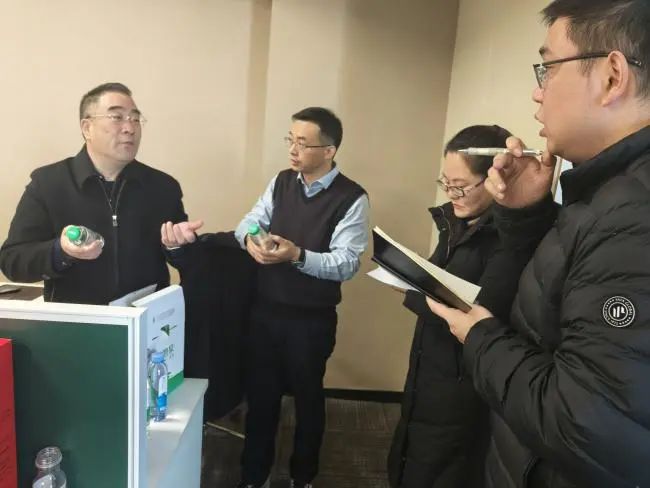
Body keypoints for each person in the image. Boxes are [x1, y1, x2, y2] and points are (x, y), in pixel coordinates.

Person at [427, 1, 650, 486]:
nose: (537, 91)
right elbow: (559, 312)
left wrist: (480, 337)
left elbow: (586, 426)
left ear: (612, 76)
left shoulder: (635, 214)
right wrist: (529, 216)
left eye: (547, 69)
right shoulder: (606, 193)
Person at [233, 107, 369, 488]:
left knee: (308, 402)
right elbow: (249, 221)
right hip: (265, 311)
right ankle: (254, 476)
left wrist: (297, 255)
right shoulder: (281, 182)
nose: (293, 150)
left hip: (311, 320)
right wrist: (252, 240)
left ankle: (302, 477)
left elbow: (346, 263)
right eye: (290, 140)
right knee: (261, 399)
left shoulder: (352, 197)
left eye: (303, 143)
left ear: (329, 150)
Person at [387, 125, 520, 488]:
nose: (450, 193)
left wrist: (413, 290)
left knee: (443, 469)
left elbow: (480, 311)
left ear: (494, 180)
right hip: (430, 366)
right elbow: (437, 279)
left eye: (460, 185)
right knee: (411, 457)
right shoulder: (458, 222)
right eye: (445, 182)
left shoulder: (507, 238)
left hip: (463, 382)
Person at [0, 82, 196, 304]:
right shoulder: (48, 184)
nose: (130, 128)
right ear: (87, 128)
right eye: (117, 117)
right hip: (77, 320)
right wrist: (60, 251)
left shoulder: (163, 187)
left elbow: (190, 263)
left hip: (147, 318)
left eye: (135, 118)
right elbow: (12, 262)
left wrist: (177, 248)